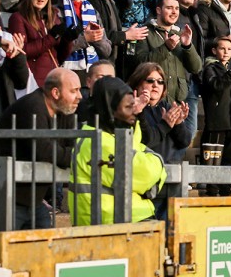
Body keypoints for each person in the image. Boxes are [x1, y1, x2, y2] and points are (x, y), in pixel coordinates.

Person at [69, 76, 167, 225]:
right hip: (113, 226)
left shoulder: (112, 136)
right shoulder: (98, 141)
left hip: (126, 222)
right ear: (110, 108)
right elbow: (146, 174)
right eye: (128, 107)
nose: (134, 111)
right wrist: (154, 175)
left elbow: (143, 164)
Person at [0, 68, 81, 229]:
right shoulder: (32, 106)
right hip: (7, 198)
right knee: (2, 248)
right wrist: (72, 156)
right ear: (55, 93)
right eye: (74, 90)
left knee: (43, 248)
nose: (80, 96)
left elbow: (72, 148)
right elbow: (44, 151)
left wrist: (70, 155)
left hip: (34, 201)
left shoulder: (66, 109)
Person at [7, 0, 75, 84]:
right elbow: (22, 51)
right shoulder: (17, 18)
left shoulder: (52, 16)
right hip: (33, 81)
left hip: (53, 79)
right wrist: (52, 37)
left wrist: (68, 40)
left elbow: (60, 56)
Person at [128, 63, 191, 164]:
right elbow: (146, 140)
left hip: (169, 170)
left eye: (160, 82)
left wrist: (178, 123)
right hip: (144, 169)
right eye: (150, 81)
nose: (155, 85)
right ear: (137, 84)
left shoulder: (167, 107)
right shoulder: (131, 109)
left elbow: (184, 142)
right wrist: (165, 124)